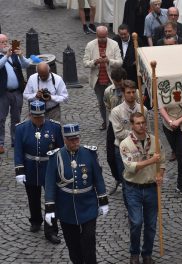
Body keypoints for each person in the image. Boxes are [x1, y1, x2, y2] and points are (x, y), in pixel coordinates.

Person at [45, 123, 109, 264]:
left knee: (89, 239)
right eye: (72, 140)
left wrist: (103, 200)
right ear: (65, 140)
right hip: (66, 207)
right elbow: (49, 183)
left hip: (88, 205)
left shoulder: (89, 154)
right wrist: (49, 208)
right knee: (72, 244)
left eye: (77, 139)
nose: (75, 142)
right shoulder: (56, 157)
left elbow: (98, 178)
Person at [14, 101, 63, 244]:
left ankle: (51, 230)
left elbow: (60, 149)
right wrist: (19, 170)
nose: (38, 119)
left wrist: (60, 169)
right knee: (33, 197)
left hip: (48, 167)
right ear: (30, 115)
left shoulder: (54, 127)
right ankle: (35, 220)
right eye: (35, 117)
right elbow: (18, 151)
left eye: (41, 116)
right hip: (30, 167)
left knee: (51, 199)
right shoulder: (21, 129)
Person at [119, 112, 165, 264]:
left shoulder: (155, 140)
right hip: (133, 188)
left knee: (151, 224)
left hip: (151, 187)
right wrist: (152, 160)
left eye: (143, 122)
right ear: (132, 125)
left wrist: (160, 174)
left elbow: (162, 162)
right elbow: (131, 167)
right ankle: (134, 253)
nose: (141, 126)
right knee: (137, 222)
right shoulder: (125, 144)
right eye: (138, 123)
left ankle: (147, 254)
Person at [110, 80, 149, 195]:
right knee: (126, 180)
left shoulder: (143, 109)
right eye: (128, 92)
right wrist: (137, 132)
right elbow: (119, 133)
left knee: (142, 177)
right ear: (123, 93)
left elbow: (148, 130)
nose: (131, 95)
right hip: (122, 149)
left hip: (141, 148)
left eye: (133, 92)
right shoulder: (116, 111)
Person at [83, 25, 123, 131]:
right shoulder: (90, 45)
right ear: (96, 35)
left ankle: (115, 122)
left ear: (107, 35)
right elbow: (85, 63)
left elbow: (119, 62)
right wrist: (95, 62)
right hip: (98, 81)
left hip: (111, 79)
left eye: (104, 37)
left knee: (114, 102)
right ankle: (105, 121)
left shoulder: (114, 44)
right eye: (100, 37)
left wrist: (108, 61)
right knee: (101, 103)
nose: (102, 39)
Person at [0, 33, 31, 154]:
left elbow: (26, 64)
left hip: (17, 92)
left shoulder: (14, 56)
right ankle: (0, 143)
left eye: (6, 42)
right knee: (1, 119)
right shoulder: (5, 56)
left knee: (16, 118)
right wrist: (6, 56)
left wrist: (21, 56)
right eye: (2, 42)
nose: (5, 44)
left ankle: (15, 140)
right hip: (2, 93)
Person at [104, 67, 127, 195]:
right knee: (110, 157)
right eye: (115, 83)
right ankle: (118, 178)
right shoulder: (108, 91)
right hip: (113, 125)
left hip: (127, 125)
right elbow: (107, 105)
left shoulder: (131, 91)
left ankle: (127, 182)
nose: (118, 86)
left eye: (120, 83)